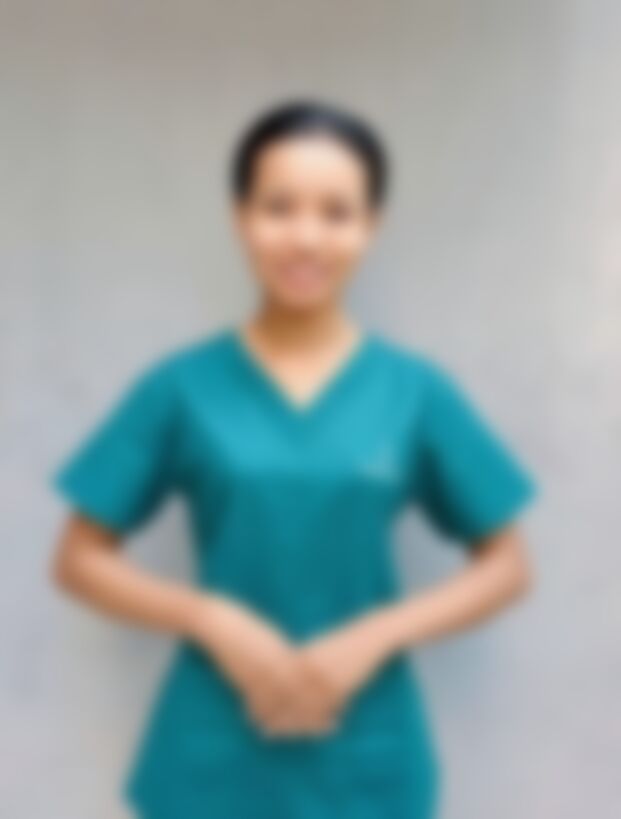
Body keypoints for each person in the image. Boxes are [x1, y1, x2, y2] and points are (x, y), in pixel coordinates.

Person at [49, 98, 539, 819]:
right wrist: (210, 617)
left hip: (364, 746)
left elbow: (507, 566)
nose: (306, 237)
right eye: (278, 208)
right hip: (212, 746)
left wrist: (376, 634)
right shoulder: (182, 388)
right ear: (239, 217)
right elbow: (78, 559)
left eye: (337, 213)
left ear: (371, 227)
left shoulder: (413, 392)